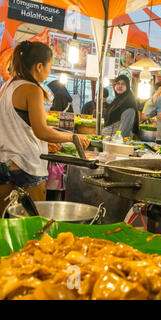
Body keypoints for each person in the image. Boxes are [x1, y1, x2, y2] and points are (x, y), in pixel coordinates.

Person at [0, 41, 89, 214]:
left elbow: (16, 126)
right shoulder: (32, 89)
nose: (49, 71)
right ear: (39, 66)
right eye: (50, 67)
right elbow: (41, 131)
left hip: (4, 164)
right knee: (34, 224)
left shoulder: (7, 86)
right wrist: (72, 137)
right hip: (27, 167)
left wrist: (45, 144)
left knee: (3, 224)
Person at [102, 75, 139, 139]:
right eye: (118, 83)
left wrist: (116, 142)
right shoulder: (117, 101)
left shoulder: (128, 104)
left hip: (116, 142)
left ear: (127, 86)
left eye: (123, 84)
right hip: (108, 139)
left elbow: (124, 131)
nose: (120, 86)